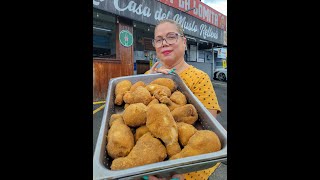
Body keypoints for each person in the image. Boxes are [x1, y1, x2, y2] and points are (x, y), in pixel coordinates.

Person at [144, 19, 222, 180]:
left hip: (190, 169)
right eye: (159, 39)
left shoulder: (200, 78)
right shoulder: (146, 77)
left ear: (184, 42)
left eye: (171, 37)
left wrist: (175, 169)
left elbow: (207, 127)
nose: (164, 43)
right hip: (151, 161)